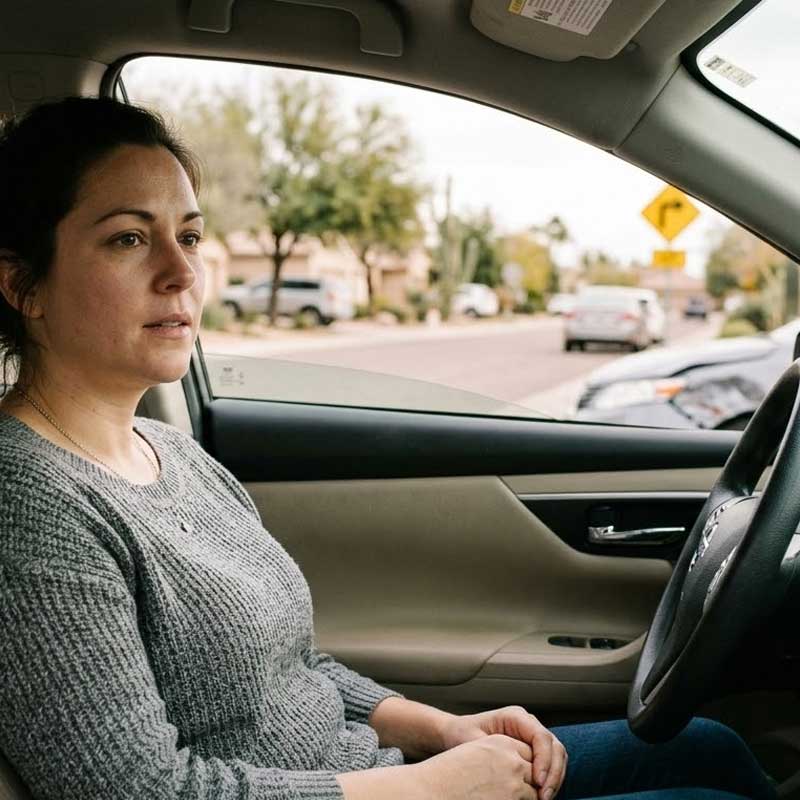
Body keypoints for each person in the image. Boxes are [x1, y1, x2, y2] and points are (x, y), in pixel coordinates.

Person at [0, 96, 777, 800]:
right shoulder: (27, 502)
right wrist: (433, 790)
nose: (181, 272)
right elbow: (140, 792)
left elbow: (293, 672)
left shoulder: (176, 454)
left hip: (374, 776)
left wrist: (441, 730)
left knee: (709, 747)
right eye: (129, 238)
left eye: (191, 235)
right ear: (22, 284)